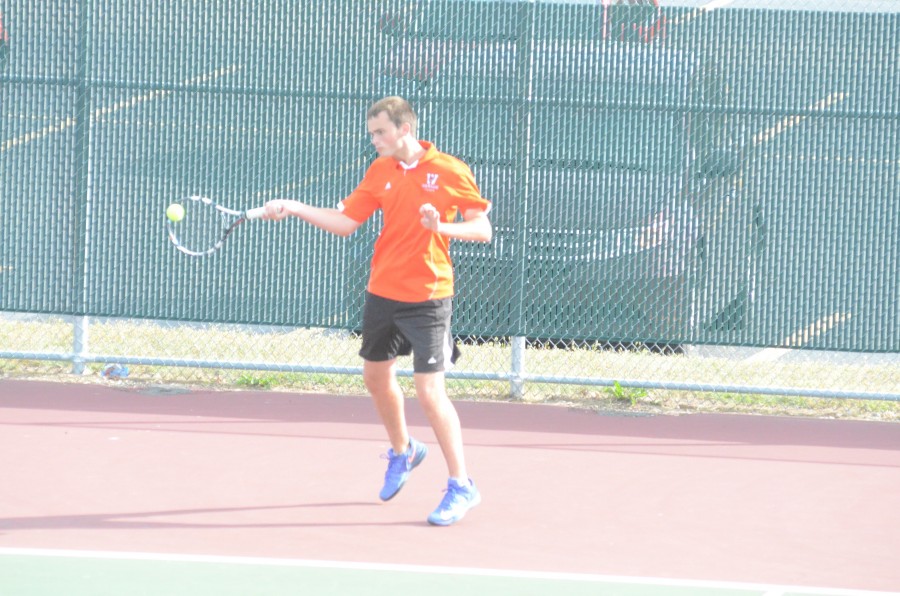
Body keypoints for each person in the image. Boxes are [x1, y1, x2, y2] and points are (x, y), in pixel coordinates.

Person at [261, 96, 492, 526]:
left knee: (429, 392)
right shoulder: (380, 170)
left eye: (380, 132)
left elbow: (483, 229)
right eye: (371, 133)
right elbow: (348, 220)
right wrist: (293, 207)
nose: (374, 140)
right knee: (375, 379)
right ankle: (404, 451)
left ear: (405, 129)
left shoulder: (449, 170)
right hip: (382, 291)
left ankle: (462, 485)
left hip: (429, 296)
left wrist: (440, 226)